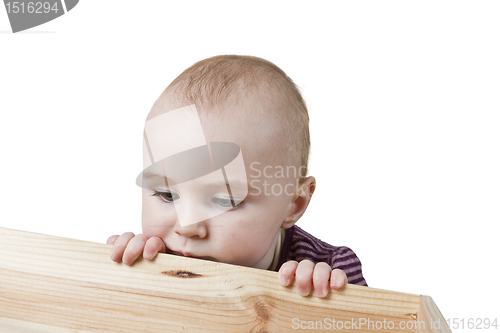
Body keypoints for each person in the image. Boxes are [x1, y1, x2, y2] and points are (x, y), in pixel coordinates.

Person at [107, 55, 367, 299]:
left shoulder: (333, 272)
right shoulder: (150, 257)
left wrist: (325, 305)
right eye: (166, 195)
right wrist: (124, 274)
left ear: (293, 204)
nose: (186, 227)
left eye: (224, 201)